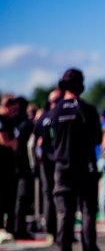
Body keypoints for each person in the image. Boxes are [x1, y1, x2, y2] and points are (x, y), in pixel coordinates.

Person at [49, 68, 105, 251]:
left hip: (62, 169)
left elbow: (48, 142)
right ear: (80, 85)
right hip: (85, 168)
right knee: (88, 212)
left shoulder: (54, 112)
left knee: (64, 214)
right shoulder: (87, 110)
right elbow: (98, 139)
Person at [34, 88, 62, 240]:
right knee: (56, 196)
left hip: (49, 161)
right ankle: (55, 230)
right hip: (56, 161)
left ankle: (52, 230)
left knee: (50, 195)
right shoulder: (60, 116)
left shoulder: (43, 117)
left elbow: (36, 141)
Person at [8, 96, 35, 239]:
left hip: (12, 164)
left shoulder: (11, 122)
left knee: (15, 198)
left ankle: (14, 227)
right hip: (22, 164)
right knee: (20, 198)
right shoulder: (26, 124)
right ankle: (18, 229)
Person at [0, 93, 18, 243]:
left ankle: (8, 228)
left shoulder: (9, 120)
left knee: (9, 197)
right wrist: (13, 144)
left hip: (8, 164)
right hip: (2, 163)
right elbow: (3, 140)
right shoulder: (2, 120)